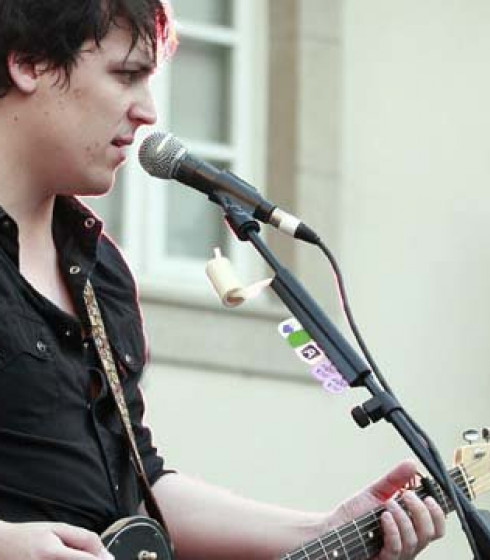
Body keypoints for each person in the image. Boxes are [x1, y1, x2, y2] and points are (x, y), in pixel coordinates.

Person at [0, 1, 445, 558]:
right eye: (127, 75)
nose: (148, 112)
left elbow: (143, 489)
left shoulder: (101, 276)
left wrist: (324, 529)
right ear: (30, 64)